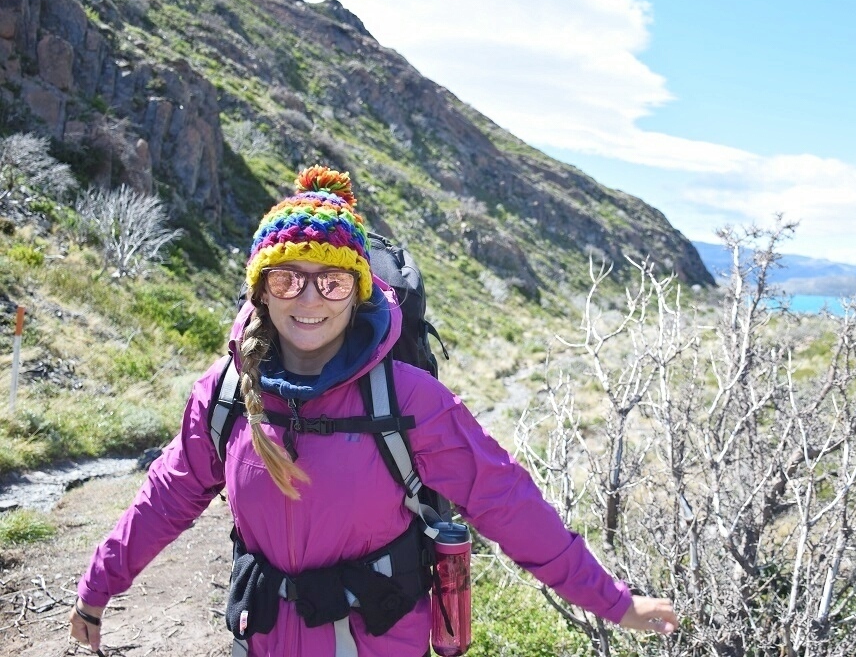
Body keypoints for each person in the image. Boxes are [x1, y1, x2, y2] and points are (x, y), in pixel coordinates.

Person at [69, 165, 678, 657]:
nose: (308, 299)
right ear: (260, 288)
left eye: (331, 282)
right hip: (260, 637)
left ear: (358, 290)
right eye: (286, 280)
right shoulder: (227, 392)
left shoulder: (409, 400)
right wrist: (98, 587)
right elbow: (167, 496)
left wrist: (615, 603)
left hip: (379, 639)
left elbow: (507, 501)